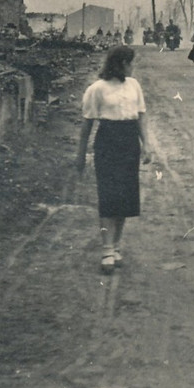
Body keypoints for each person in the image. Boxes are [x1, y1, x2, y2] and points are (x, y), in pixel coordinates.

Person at [77, 45, 155, 273]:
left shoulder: (134, 86)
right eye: (130, 63)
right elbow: (86, 126)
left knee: (126, 198)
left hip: (129, 143)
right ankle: (107, 250)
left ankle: (117, 245)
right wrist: (80, 156)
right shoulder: (97, 89)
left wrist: (147, 145)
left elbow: (141, 117)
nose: (133, 67)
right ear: (120, 64)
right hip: (108, 143)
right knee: (109, 196)